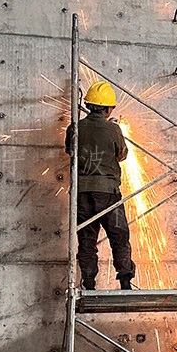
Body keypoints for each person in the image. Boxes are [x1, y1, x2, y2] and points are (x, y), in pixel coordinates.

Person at [65, 80, 136, 291]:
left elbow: (71, 151)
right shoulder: (113, 129)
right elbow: (122, 154)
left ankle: (88, 283)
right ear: (107, 108)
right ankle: (125, 281)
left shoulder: (74, 128)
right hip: (108, 194)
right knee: (119, 236)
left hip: (82, 194)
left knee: (87, 241)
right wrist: (111, 132)